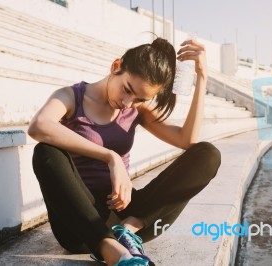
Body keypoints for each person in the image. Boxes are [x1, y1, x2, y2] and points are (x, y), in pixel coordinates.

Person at [28, 37, 221, 266]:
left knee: (208, 154)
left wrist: (202, 77)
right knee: (45, 152)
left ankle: (126, 232)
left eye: (139, 98)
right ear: (116, 66)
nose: (128, 103)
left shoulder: (136, 109)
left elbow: (186, 140)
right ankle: (108, 249)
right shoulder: (72, 97)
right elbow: (39, 125)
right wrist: (111, 158)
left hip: (126, 215)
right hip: (79, 223)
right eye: (127, 89)